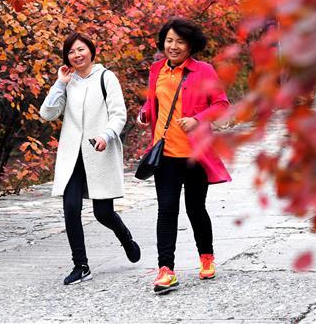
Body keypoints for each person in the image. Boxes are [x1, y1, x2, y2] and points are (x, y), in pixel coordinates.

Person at [137, 18, 231, 294]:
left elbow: (222, 105)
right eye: (169, 40)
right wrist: (145, 112)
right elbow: (155, 100)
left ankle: (206, 257)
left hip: (195, 154)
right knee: (166, 211)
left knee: (194, 208)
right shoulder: (157, 70)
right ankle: (165, 270)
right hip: (164, 153)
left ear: (190, 45)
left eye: (179, 41)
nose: (173, 46)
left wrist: (198, 119)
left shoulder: (203, 71)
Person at [40, 32, 141, 285]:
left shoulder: (106, 77)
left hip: (99, 151)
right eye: (72, 52)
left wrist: (106, 136)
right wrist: (60, 84)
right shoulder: (68, 82)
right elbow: (47, 113)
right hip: (72, 156)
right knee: (71, 209)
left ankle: (125, 237)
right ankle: (81, 265)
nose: (77, 55)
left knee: (103, 213)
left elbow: (119, 114)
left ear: (91, 51)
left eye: (81, 49)